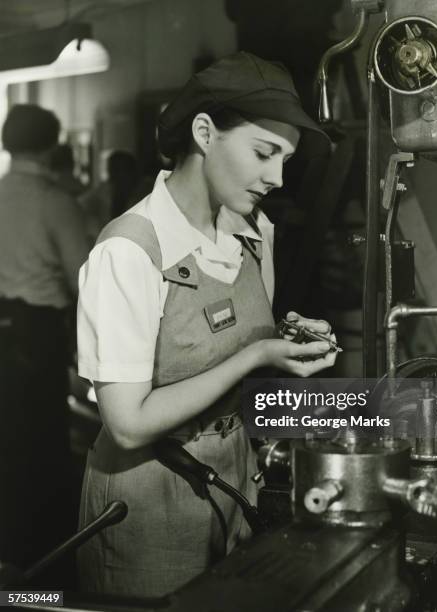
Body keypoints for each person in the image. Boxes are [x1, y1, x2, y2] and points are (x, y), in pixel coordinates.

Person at [77, 51, 338, 598]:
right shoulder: (128, 251)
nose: (278, 177)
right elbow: (126, 423)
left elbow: (238, 355)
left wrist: (285, 342)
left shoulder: (253, 232)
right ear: (204, 132)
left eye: (286, 159)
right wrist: (255, 356)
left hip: (234, 480)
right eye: (265, 152)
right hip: (148, 502)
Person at [0, 104, 89, 576]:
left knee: (6, 439)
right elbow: (85, 278)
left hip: (2, 327)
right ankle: (43, 565)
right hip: (37, 335)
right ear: (53, 146)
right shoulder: (53, 200)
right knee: (42, 444)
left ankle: (9, 554)